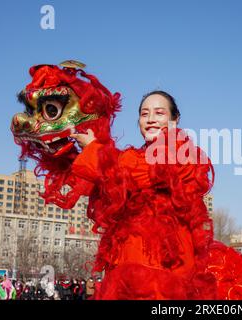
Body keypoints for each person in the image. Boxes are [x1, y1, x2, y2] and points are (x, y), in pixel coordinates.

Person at [70, 90, 216, 299]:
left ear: (175, 119)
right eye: (144, 114)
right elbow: (109, 181)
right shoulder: (134, 156)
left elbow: (132, 172)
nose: (150, 119)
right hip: (127, 264)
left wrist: (95, 149)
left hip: (165, 270)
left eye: (159, 113)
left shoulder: (181, 152)